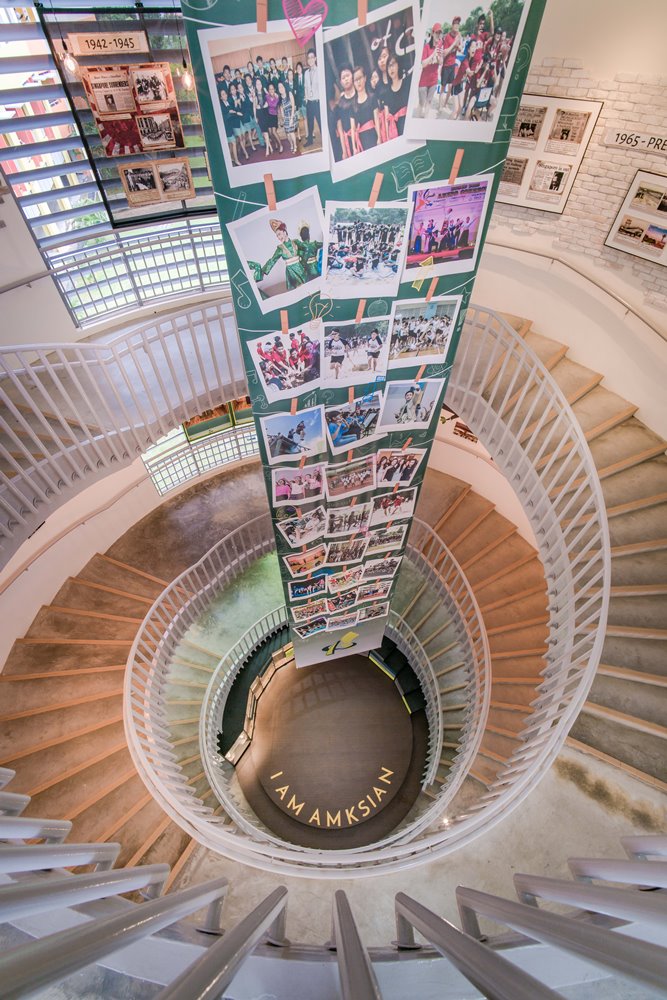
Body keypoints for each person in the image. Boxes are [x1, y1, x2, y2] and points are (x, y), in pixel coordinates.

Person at [248, 219, 310, 291]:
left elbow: (306, 248)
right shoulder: (280, 248)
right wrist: (261, 273)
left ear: (284, 232)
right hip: (291, 273)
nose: (278, 237)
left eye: (279, 234)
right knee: (297, 292)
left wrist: (303, 263)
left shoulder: (295, 242)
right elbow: (272, 260)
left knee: (307, 290)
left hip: (300, 270)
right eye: (277, 236)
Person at [351, 66, 380, 152]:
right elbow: (353, 127)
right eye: (356, 80)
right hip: (361, 140)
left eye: (360, 78)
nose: (358, 82)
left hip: (373, 136)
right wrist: (354, 147)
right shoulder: (353, 104)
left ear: (365, 78)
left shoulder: (372, 97)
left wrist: (379, 137)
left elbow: (376, 120)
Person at [417, 23, 442, 116]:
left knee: (429, 102)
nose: (438, 35)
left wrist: (439, 58)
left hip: (434, 80)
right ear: (432, 33)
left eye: (440, 33)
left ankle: (425, 118)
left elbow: (441, 62)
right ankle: (418, 119)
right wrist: (433, 54)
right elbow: (423, 64)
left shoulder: (440, 47)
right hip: (424, 80)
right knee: (421, 103)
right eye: (436, 33)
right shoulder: (427, 47)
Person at [383, 55, 410, 139]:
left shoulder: (406, 83)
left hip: (408, 126)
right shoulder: (386, 92)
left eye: (393, 64)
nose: (391, 68)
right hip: (395, 131)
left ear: (398, 65)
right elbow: (386, 117)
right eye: (388, 67)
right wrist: (388, 138)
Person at [439, 16, 461, 114]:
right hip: (446, 66)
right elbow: (445, 52)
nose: (457, 26)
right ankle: (440, 105)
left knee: (451, 87)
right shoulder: (447, 37)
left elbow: (460, 48)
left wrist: (458, 45)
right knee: (443, 87)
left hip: (453, 65)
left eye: (458, 23)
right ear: (452, 25)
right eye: (455, 23)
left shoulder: (458, 35)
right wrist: (454, 44)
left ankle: (445, 103)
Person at [334, 65, 357, 159]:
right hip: (349, 142)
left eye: (348, 75)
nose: (346, 79)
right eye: (343, 78)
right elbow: (340, 128)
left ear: (353, 76)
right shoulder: (340, 104)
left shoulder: (361, 94)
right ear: (340, 82)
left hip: (364, 136)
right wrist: (344, 151)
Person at [303, 49, 321, 147]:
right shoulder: (306, 73)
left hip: (317, 102)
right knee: (310, 124)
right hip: (309, 102)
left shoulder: (319, 71)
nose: (310, 59)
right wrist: (306, 98)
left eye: (312, 57)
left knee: (320, 122)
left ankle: (326, 140)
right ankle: (310, 140)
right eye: (308, 58)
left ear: (315, 58)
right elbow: (306, 86)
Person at [278, 80, 297, 153]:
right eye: (279, 87)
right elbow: (281, 109)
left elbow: (293, 106)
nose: (281, 89)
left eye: (282, 87)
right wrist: (283, 118)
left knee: (291, 132)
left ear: (284, 87)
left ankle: (295, 145)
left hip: (292, 114)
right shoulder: (280, 98)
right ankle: (291, 144)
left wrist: (291, 118)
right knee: (287, 134)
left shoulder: (289, 94)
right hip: (286, 116)